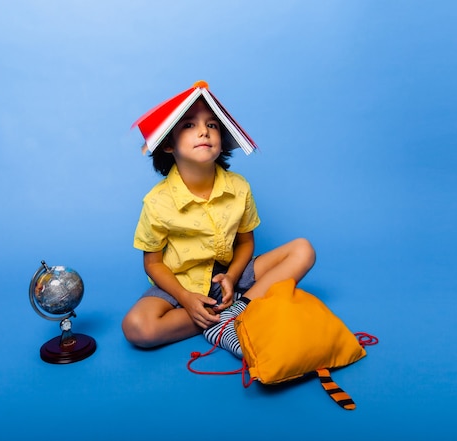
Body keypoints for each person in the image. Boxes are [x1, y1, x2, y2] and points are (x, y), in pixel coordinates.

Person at [122, 92, 316, 358]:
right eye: (189, 125)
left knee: (303, 249)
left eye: (212, 125)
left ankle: (239, 307)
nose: (204, 131)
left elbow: (246, 242)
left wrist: (233, 277)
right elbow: (153, 263)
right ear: (168, 144)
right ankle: (219, 313)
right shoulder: (157, 202)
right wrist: (186, 299)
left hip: (231, 274)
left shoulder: (239, 187)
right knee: (137, 328)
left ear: (222, 140)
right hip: (181, 282)